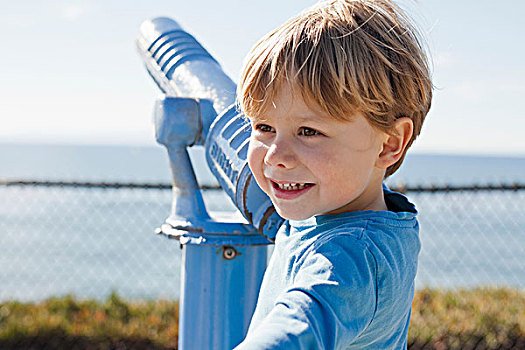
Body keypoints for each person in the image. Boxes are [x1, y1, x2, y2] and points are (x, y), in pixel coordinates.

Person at [234, 0, 432, 349]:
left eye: (309, 131)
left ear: (388, 144)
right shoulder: (335, 211)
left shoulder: (352, 258)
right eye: (264, 127)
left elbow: (296, 327)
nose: (276, 157)